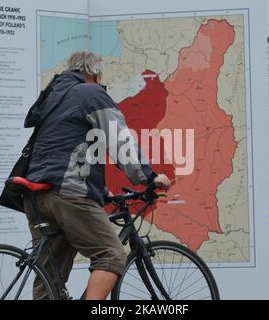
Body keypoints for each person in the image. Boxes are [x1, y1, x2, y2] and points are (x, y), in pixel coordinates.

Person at [23, 51, 171, 300]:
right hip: (67, 194)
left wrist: (100, 191)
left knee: (51, 277)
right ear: (94, 73)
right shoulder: (90, 93)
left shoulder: (54, 97)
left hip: (36, 195)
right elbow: (118, 137)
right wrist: (148, 176)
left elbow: (64, 149)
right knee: (112, 255)